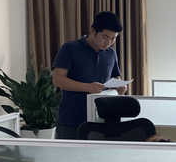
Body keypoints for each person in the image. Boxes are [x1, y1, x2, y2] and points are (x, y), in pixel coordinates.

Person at [52, 11, 128, 139]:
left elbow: (116, 77)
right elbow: (57, 80)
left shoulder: (111, 53)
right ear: (93, 31)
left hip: (101, 120)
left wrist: (120, 88)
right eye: (105, 37)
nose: (109, 42)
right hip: (71, 120)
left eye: (113, 38)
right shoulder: (70, 48)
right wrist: (87, 87)